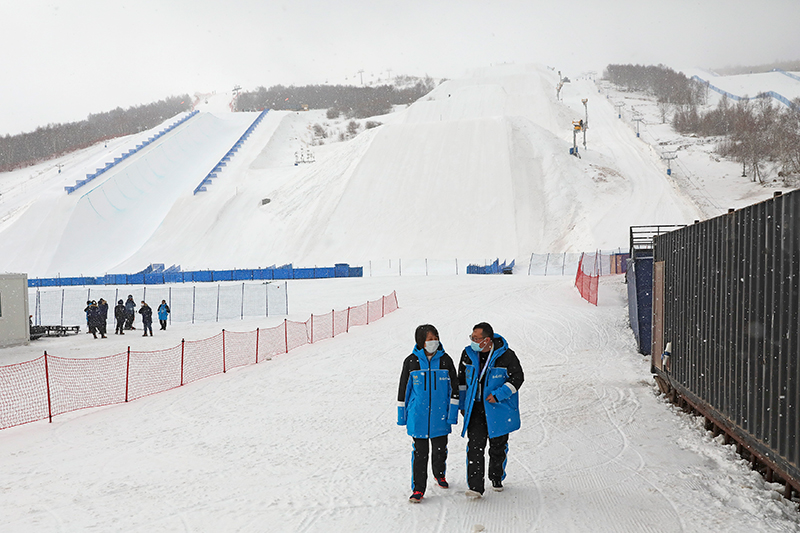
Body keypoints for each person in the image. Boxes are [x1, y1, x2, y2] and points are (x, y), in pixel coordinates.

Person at [458, 322, 524, 499]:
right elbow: (461, 382)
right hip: (476, 408)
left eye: (476, 338)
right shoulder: (468, 354)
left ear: (487, 340)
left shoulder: (507, 355)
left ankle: (496, 477)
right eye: (472, 337)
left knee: (498, 446)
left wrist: (499, 394)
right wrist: (463, 405)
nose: (473, 341)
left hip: (498, 408)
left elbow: (518, 378)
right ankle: (475, 487)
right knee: (475, 447)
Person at [397, 324, 459, 503]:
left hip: (441, 416)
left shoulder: (446, 360)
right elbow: (403, 389)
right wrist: (402, 416)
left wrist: (452, 413)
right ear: (420, 341)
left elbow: (454, 389)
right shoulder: (411, 361)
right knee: (420, 453)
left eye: (435, 338)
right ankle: (418, 489)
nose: (433, 342)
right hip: (418, 417)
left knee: (440, 450)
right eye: (429, 339)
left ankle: (440, 475)